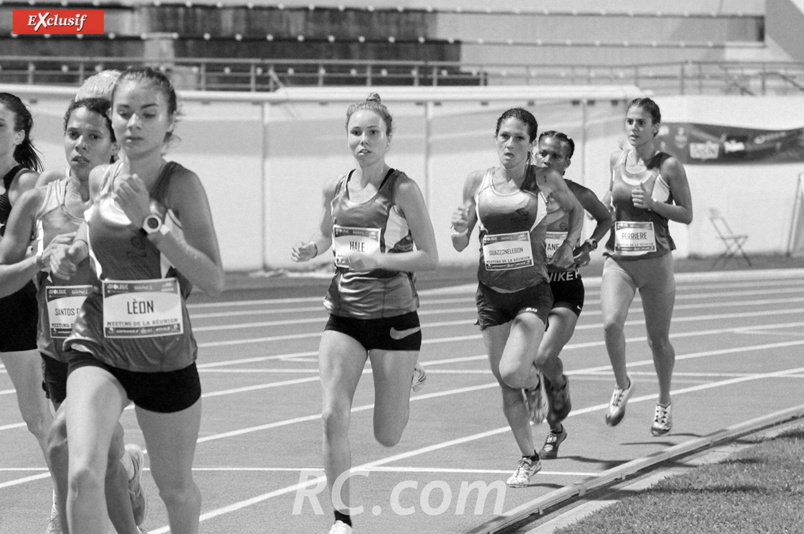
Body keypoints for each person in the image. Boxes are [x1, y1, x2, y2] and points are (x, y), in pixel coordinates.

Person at [50, 67, 224, 534]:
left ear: (169, 122)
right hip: (99, 343)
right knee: (81, 471)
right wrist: (73, 257)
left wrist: (150, 221)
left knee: (175, 490)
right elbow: (97, 257)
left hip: (165, 354)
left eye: (148, 114)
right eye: (124, 113)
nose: (133, 124)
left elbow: (213, 279)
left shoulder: (181, 185)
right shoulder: (101, 177)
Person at [0, 96, 148, 534]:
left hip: (114, 349)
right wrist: (37, 262)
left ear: (115, 146)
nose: (80, 145)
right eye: (72, 134)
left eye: (93, 136)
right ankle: (129, 498)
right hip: (59, 353)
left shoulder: (129, 203)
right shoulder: (37, 203)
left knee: (64, 442)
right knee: (99, 450)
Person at [291, 93, 437, 534]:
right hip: (344, 315)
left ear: (388, 138)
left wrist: (380, 261)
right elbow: (324, 235)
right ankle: (342, 519)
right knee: (332, 416)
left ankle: (407, 375)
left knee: (387, 436)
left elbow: (430, 256)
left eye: (373, 132)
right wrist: (310, 249)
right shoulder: (335, 187)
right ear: (347, 137)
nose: (364, 140)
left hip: (394, 319)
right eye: (357, 132)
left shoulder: (403, 189)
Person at [450, 109, 583, 488]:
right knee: (505, 382)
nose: (510, 144)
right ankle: (529, 457)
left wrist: (570, 246)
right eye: (504, 136)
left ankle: (535, 378)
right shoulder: (477, 181)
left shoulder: (543, 179)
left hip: (532, 290)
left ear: (531, 144)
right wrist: (459, 231)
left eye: (519, 138)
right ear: (496, 138)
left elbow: (575, 211)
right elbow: (460, 241)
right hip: (490, 294)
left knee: (513, 371)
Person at [600, 97, 692, 436]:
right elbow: (611, 196)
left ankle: (664, 402)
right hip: (620, 260)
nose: (634, 128)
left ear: (655, 127)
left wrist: (654, 205)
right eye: (630, 122)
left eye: (641, 122)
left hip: (656, 263)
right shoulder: (615, 160)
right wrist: (604, 205)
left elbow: (686, 213)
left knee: (658, 341)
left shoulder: (668, 167)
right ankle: (622, 384)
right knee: (611, 324)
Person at [532, 130, 612, 459]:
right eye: (543, 153)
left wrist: (589, 245)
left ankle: (559, 384)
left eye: (556, 156)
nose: (547, 160)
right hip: (530, 287)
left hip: (565, 285)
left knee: (543, 357)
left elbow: (606, 218)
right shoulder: (522, 194)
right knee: (524, 361)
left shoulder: (578, 194)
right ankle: (556, 430)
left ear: (566, 162)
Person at [0, 92, 59, 529]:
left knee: (37, 416)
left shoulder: (26, 187)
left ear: (19, 134)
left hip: (14, 309)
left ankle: (64, 498)